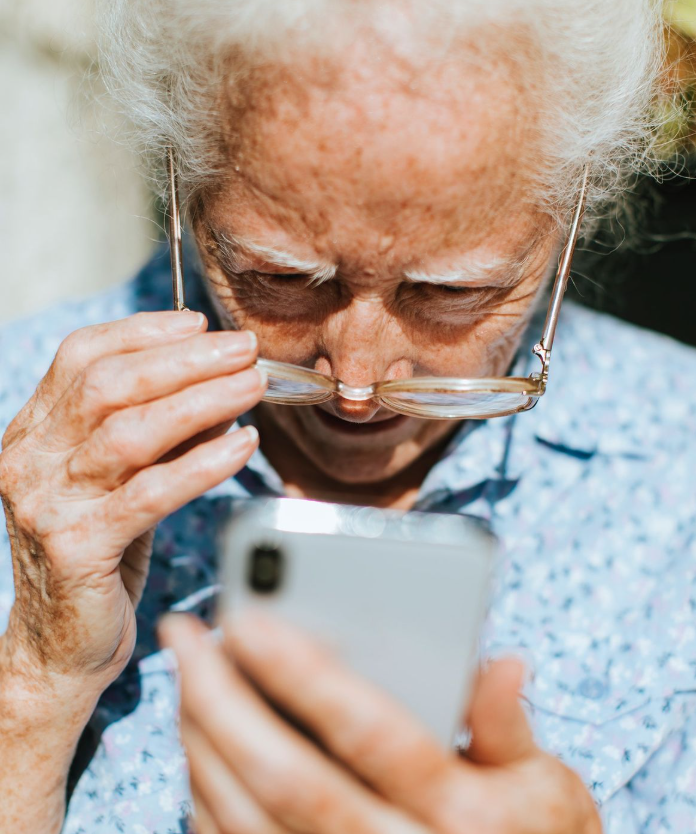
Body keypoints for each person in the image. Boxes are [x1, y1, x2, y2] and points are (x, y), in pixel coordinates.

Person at [1, 0, 695, 832]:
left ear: (573, 206)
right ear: (184, 173)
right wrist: (35, 684)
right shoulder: (25, 427)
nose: (357, 383)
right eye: (281, 279)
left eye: (451, 292)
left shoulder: (677, 474)